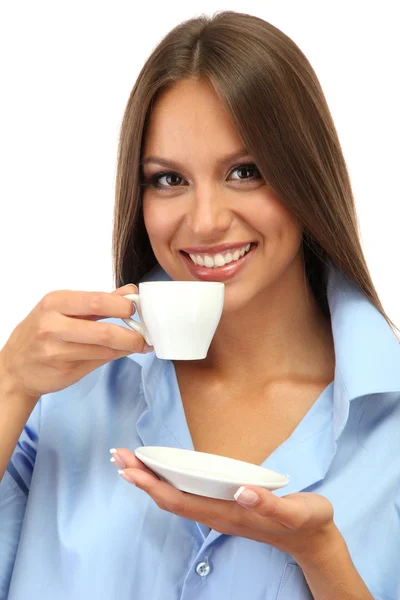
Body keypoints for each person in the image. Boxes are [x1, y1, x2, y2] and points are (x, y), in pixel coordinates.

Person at [0, 9, 399, 600]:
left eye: (246, 171)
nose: (205, 221)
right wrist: (9, 384)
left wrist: (320, 558)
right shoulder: (63, 394)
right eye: (167, 179)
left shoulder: (388, 428)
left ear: (306, 176)